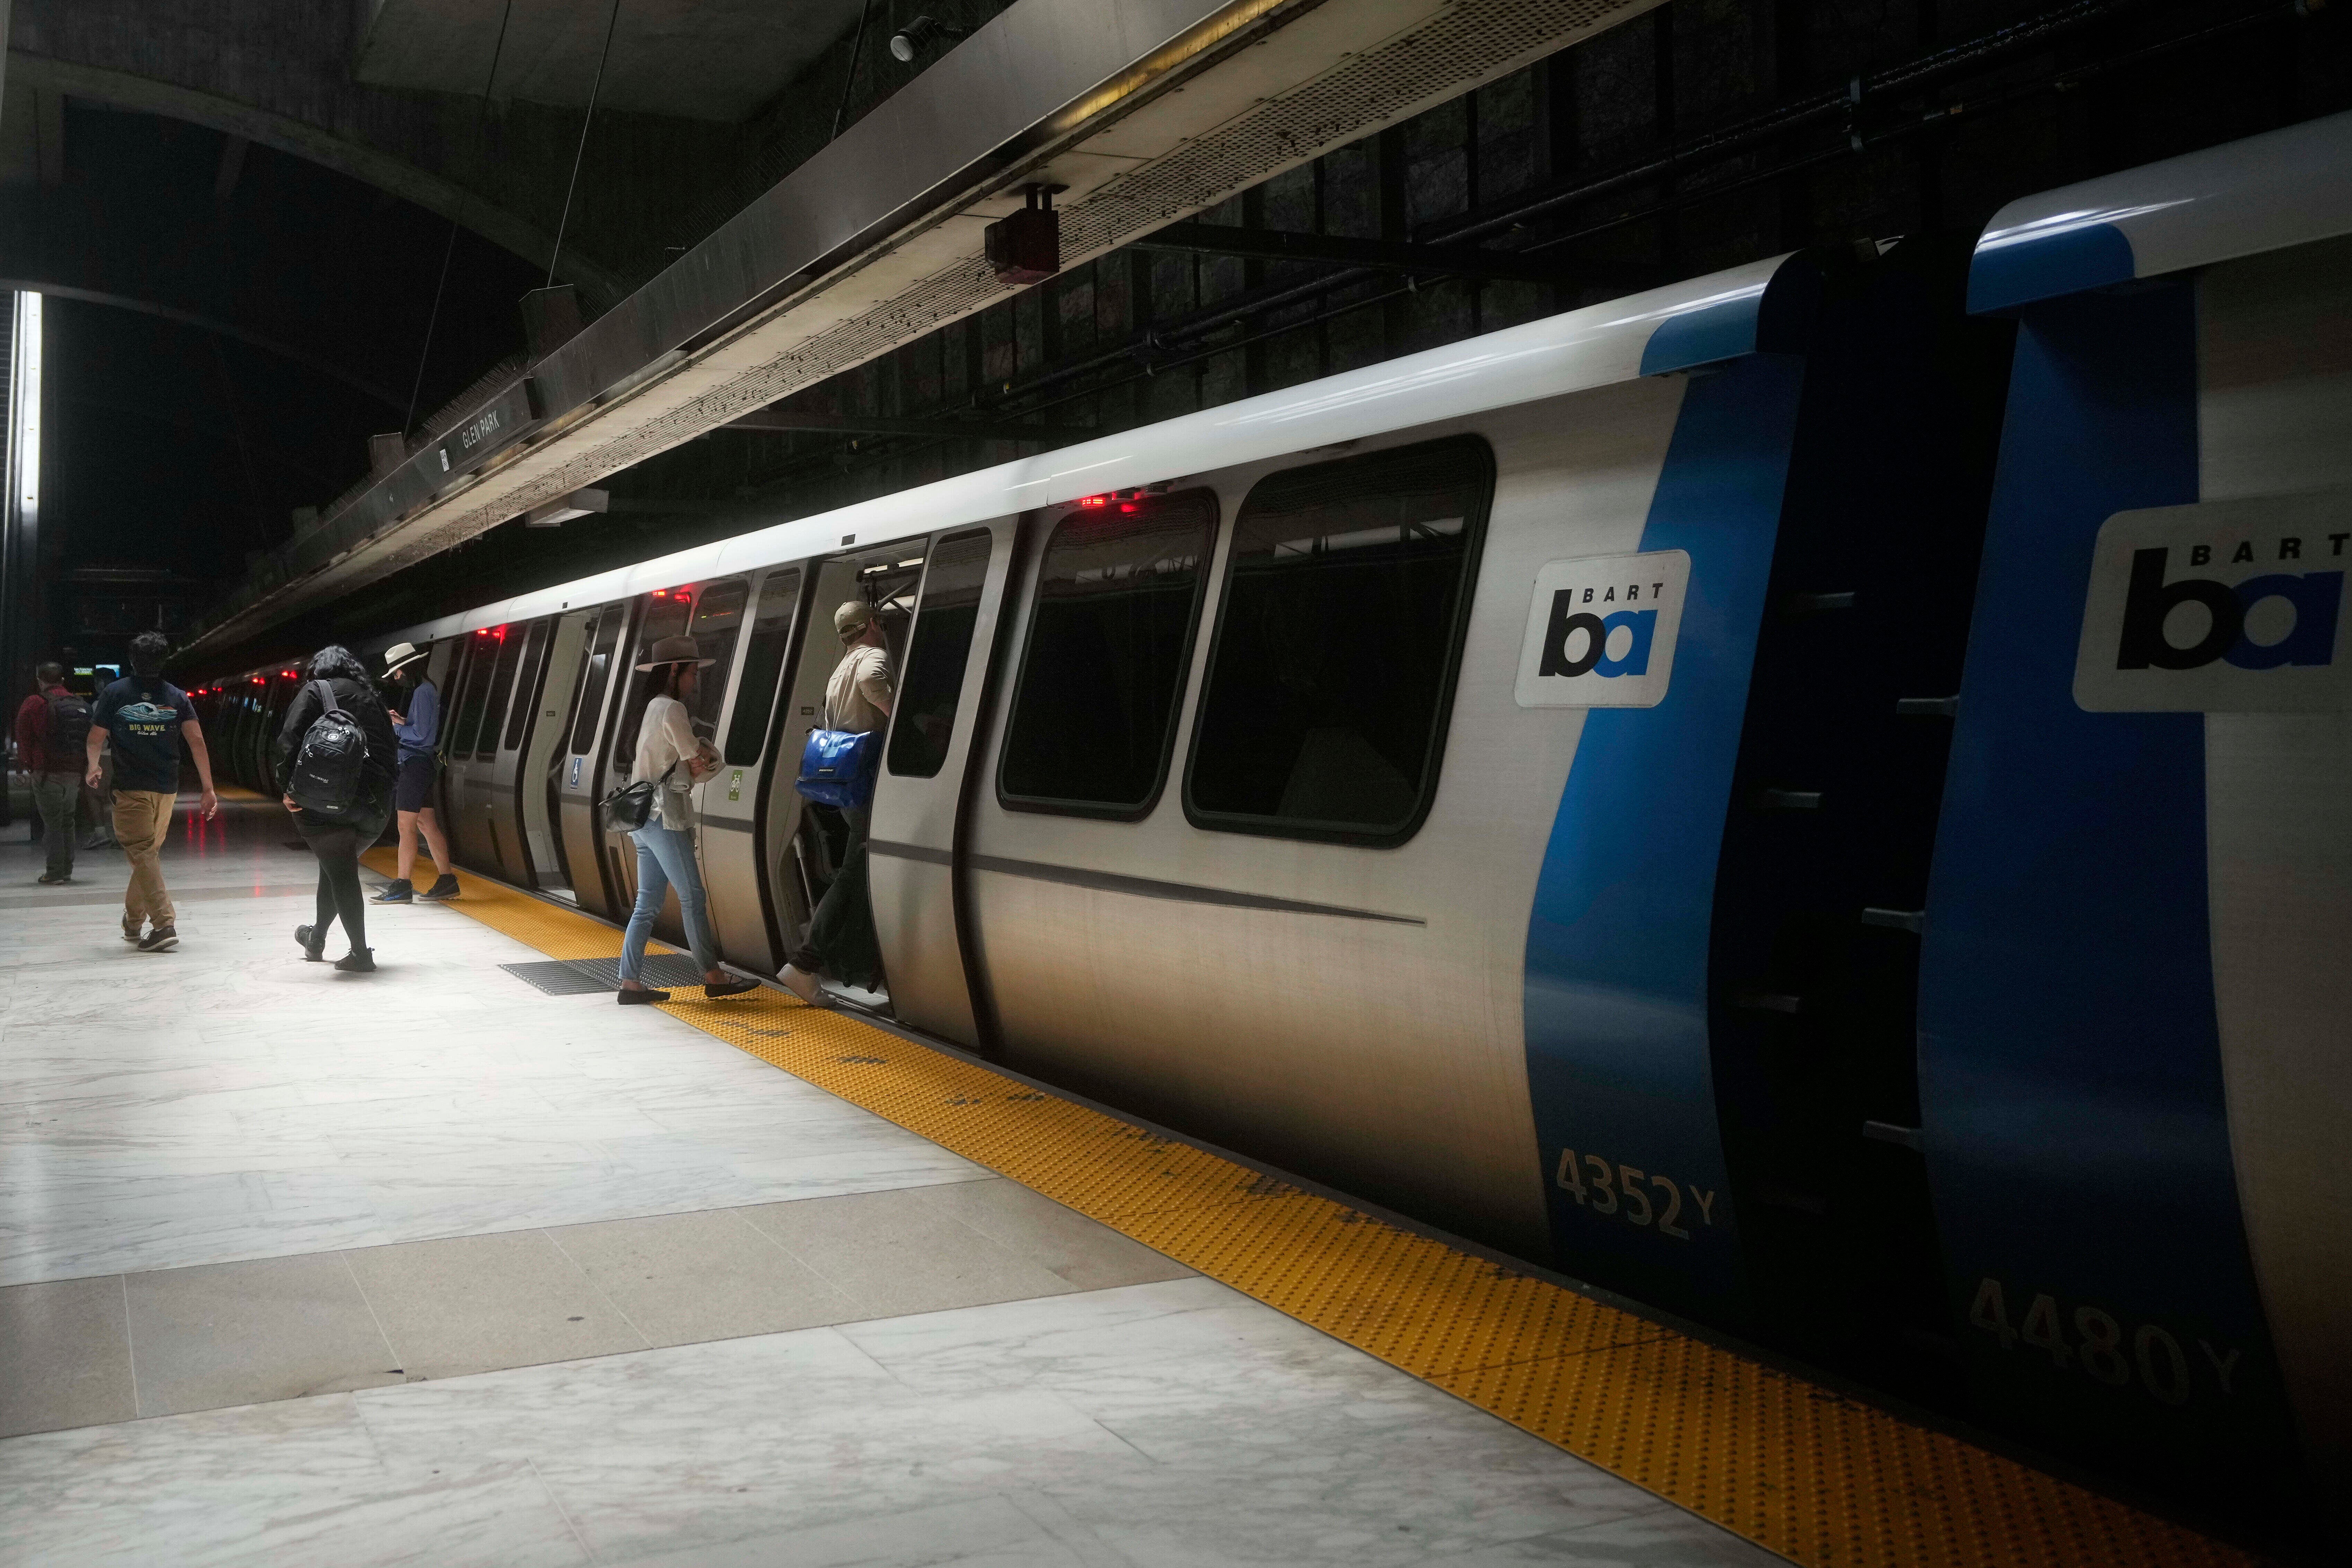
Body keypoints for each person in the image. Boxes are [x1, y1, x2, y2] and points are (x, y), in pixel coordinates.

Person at [616, 635, 759, 1006]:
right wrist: (706, 754)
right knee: (692, 896)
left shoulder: (649, 707)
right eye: (693, 673)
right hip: (664, 816)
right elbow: (697, 761)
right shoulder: (672, 709)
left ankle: (630, 982)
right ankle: (714, 977)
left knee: (647, 903)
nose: (695, 681)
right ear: (675, 671)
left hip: (641, 819)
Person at [778, 602, 894, 1006]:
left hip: (847, 785)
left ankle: (856, 962)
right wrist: (896, 716)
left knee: (858, 872)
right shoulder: (872, 656)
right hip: (867, 783)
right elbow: (873, 682)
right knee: (852, 873)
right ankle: (806, 962)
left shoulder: (840, 668)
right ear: (873, 624)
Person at [88, 631, 219, 952]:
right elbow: (197, 741)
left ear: (132, 660)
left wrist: (93, 766)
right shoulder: (177, 696)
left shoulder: (115, 693)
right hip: (166, 788)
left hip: (131, 788)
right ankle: (133, 922)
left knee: (142, 853)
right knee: (145, 855)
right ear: (164, 661)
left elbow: (95, 738)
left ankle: (163, 924)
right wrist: (208, 788)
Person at [275, 645, 399, 974]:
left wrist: (287, 787)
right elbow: (391, 750)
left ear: (318, 670)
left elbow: (289, 740)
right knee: (334, 867)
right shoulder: (372, 698)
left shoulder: (315, 692)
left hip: (322, 803)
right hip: (373, 807)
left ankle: (361, 954)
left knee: (341, 872)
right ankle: (316, 938)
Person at [372, 641, 459, 904]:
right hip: (422, 765)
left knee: (405, 826)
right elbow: (422, 729)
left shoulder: (422, 692)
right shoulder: (427, 690)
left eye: (397, 673)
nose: (396, 678)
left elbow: (420, 735)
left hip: (413, 766)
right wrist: (403, 721)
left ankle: (402, 885)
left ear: (407, 668)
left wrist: (396, 727)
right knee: (426, 824)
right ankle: (447, 880)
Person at [14, 661, 88, 884]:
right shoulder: (77, 702)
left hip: (46, 772)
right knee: (68, 820)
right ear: (63, 680)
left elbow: (23, 736)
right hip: (74, 771)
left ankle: (54, 872)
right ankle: (67, 870)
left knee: (53, 823)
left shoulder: (35, 702)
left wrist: (24, 766)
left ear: (40, 681)